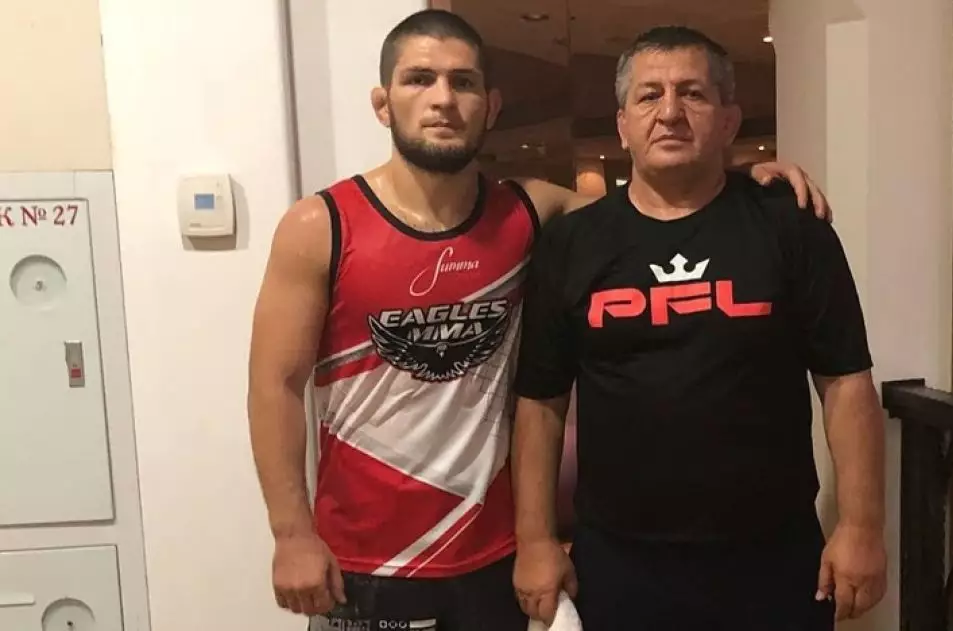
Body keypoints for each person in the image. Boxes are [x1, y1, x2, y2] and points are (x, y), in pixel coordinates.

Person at [247, 9, 830, 631]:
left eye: (463, 82)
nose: (443, 99)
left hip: (493, 558)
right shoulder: (321, 226)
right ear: (382, 103)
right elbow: (275, 386)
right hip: (366, 560)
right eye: (419, 79)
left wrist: (746, 181)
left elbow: (658, 205)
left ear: (491, 105)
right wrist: (291, 533)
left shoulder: (529, 211)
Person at [510, 25, 888, 631]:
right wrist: (535, 540)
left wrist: (862, 526)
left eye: (692, 93)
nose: (670, 112)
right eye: (649, 95)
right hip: (620, 559)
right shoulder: (572, 243)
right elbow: (541, 403)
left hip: (773, 555)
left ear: (729, 120)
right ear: (623, 125)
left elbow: (845, 382)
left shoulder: (792, 227)